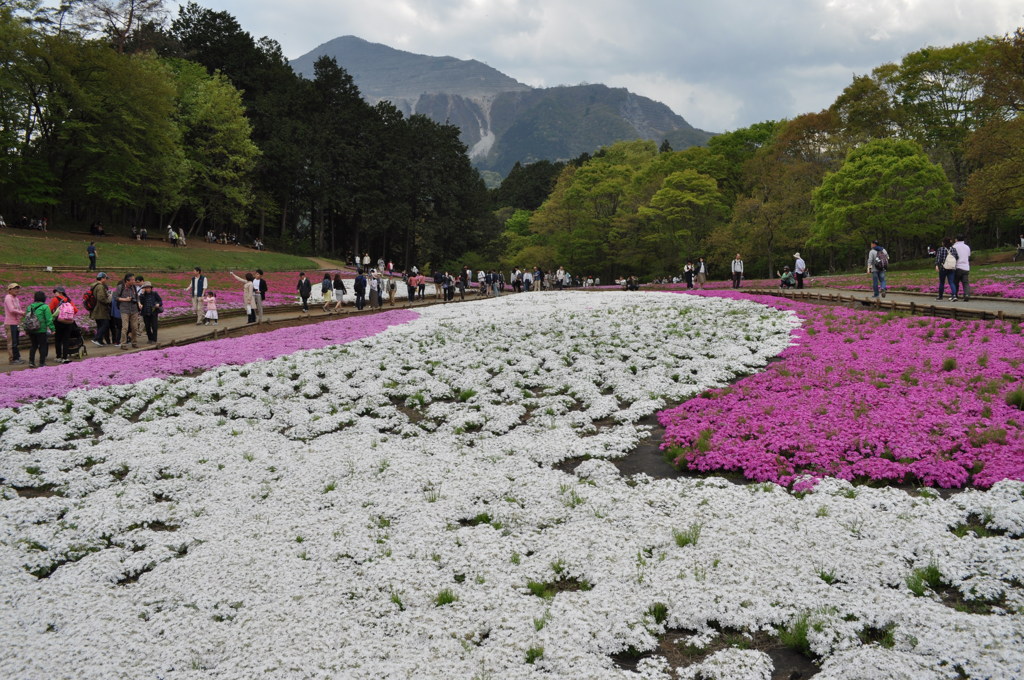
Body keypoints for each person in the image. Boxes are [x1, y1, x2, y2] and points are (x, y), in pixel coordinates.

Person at [24, 291, 55, 367]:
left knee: (33, 345)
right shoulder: (45, 307)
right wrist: (52, 329)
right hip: (41, 329)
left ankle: (31, 362)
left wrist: (26, 329)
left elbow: (26, 319)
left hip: (31, 330)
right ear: (44, 298)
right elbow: (49, 319)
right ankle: (42, 362)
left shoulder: (29, 307)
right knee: (42, 345)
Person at [48, 286, 76, 363]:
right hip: (68, 323)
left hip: (58, 322)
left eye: (55, 292)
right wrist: (68, 316)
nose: (54, 294)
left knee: (58, 340)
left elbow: (49, 309)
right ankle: (65, 357)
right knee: (66, 340)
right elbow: (75, 310)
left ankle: (58, 357)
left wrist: (55, 316)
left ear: (60, 292)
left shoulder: (55, 299)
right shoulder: (69, 300)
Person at [115, 274, 141, 348]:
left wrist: (139, 303)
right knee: (125, 327)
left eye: (134, 279)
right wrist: (125, 299)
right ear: (127, 281)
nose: (134, 281)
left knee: (135, 327)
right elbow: (115, 297)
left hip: (134, 309)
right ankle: (123, 344)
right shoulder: (120, 287)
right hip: (124, 310)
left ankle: (134, 343)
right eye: (132, 280)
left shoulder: (134, 287)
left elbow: (137, 297)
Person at [5, 283, 25, 364]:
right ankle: (12, 359)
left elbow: (17, 309)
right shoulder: (8, 298)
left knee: (16, 341)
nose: (16, 290)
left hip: (16, 322)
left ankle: (17, 357)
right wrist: (22, 313)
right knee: (12, 342)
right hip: (10, 323)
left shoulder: (16, 298)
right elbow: (12, 309)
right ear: (9, 290)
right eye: (14, 288)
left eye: (17, 288)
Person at [89, 273, 111, 346]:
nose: (106, 280)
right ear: (102, 278)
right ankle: (97, 338)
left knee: (100, 325)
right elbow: (101, 298)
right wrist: (108, 300)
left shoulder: (94, 286)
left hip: (96, 309)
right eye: (105, 278)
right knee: (105, 324)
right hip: (101, 309)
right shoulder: (100, 286)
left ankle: (100, 341)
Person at [951, 234, 972, 302]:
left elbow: (952, 257)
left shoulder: (954, 246)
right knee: (965, 282)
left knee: (955, 282)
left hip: (957, 267)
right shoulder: (967, 247)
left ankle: (955, 295)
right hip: (966, 267)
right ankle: (966, 295)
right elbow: (968, 256)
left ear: (956, 239)